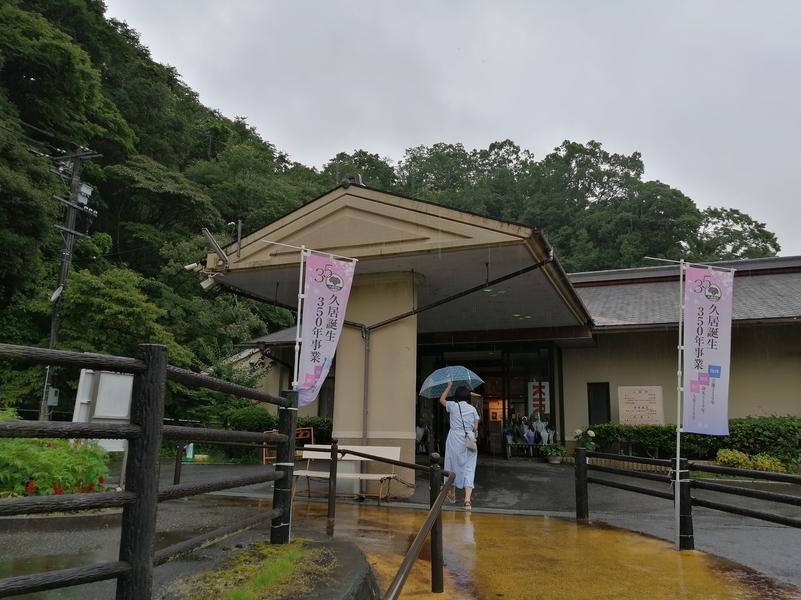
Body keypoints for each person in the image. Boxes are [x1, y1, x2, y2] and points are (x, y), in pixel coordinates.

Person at [439, 380, 480, 510]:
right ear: (468, 397)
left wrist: (449, 386)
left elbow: (441, 400)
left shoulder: (452, 406)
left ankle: (452, 493)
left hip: (454, 439)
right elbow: (475, 427)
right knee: (469, 468)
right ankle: (467, 500)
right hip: (469, 439)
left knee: (452, 465)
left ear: (456, 396)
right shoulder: (472, 409)